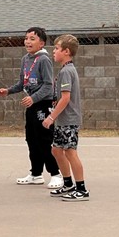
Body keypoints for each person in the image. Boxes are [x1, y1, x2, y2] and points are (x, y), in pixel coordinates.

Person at [0, 27, 63, 188]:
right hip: (31, 104)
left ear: (42, 43)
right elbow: (22, 82)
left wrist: (33, 98)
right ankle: (36, 174)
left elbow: (48, 85)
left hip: (43, 104)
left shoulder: (44, 60)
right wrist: (9, 91)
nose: (28, 41)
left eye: (32, 39)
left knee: (44, 140)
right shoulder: (25, 59)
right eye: (26, 38)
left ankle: (56, 174)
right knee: (31, 139)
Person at [42, 34, 89, 202]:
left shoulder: (67, 71)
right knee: (56, 150)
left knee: (70, 152)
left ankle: (81, 189)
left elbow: (65, 98)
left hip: (69, 120)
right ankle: (68, 182)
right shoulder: (64, 70)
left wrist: (51, 117)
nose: (53, 51)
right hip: (63, 121)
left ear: (66, 52)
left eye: (56, 48)